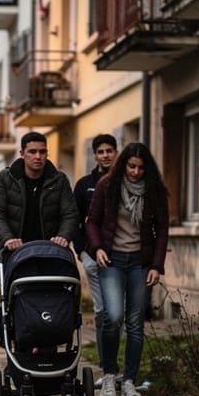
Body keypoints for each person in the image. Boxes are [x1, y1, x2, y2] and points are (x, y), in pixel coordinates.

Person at [0, 132, 78, 396]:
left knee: (50, 313)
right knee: (17, 313)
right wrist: (7, 239)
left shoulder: (58, 180)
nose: (38, 157)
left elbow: (70, 213)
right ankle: (20, 367)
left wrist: (64, 236)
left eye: (43, 151)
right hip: (17, 257)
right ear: (22, 153)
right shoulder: (7, 179)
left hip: (50, 258)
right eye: (33, 152)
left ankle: (45, 381)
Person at [86, 143, 169, 396]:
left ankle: (130, 381)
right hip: (111, 260)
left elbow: (162, 231)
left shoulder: (154, 190)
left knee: (135, 323)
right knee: (112, 316)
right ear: (124, 164)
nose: (135, 172)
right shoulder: (107, 185)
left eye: (141, 168)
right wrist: (97, 248)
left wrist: (156, 265)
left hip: (140, 263)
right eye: (131, 166)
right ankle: (110, 375)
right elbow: (92, 222)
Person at [72, 134, 118, 353]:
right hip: (92, 255)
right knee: (103, 311)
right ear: (95, 155)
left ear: (116, 152)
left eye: (109, 150)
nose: (105, 155)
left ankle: (120, 366)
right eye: (101, 152)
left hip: (121, 254)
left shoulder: (126, 181)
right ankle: (106, 364)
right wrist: (81, 252)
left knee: (121, 313)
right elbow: (75, 221)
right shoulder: (84, 185)